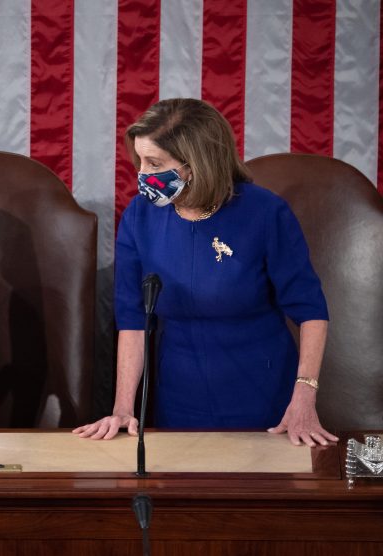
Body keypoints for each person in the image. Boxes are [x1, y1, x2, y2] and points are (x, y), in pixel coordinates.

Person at [75, 98, 336, 446]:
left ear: (195, 164)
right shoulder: (139, 217)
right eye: (139, 160)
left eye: (153, 163)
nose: (141, 174)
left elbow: (311, 310)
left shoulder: (265, 212)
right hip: (180, 397)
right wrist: (123, 408)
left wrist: (304, 396)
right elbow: (133, 320)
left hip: (265, 396)